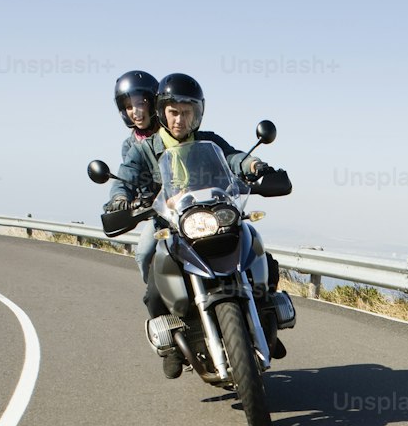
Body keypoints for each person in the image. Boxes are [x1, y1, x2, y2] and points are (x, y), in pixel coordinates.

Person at [104, 73, 288, 377]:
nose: (179, 119)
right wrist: (120, 198)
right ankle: (173, 344)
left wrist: (254, 166)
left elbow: (233, 158)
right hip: (170, 220)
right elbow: (126, 175)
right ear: (162, 112)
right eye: (174, 112)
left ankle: (265, 318)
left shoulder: (209, 140)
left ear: (197, 113)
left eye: (187, 112)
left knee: (258, 253)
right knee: (150, 263)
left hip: (213, 212)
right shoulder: (143, 148)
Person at [110, 69, 160, 285]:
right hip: (161, 213)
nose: (135, 111)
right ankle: (159, 307)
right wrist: (120, 198)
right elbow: (126, 175)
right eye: (129, 106)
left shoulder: (175, 130)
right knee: (144, 253)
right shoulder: (131, 146)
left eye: (140, 104)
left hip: (190, 205)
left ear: (153, 103)